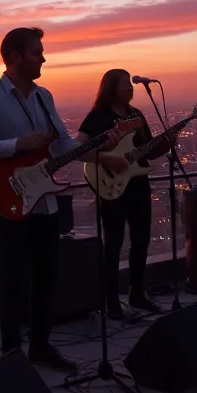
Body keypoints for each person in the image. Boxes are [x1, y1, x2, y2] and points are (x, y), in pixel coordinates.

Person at [0, 27, 119, 371]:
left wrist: (94, 146)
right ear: (15, 56)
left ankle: (40, 346)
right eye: (37, 52)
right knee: (14, 281)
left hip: (45, 202)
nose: (43, 58)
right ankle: (10, 354)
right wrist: (19, 144)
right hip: (11, 202)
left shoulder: (44, 96)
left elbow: (61, 143)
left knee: (46, 277)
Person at [76, 69, 174, 318]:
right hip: (112, 187)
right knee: (114, 243)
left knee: (141, 240)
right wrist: (107, 159)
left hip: (139, 184)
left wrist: (167, 143)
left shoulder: (137, 115)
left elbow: (147, 151)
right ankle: (110, 301)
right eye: (125, 85)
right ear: (111, 88)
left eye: (131, 85)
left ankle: (137, 293)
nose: (131, 88)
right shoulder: (98, 116)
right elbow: (79, 147)